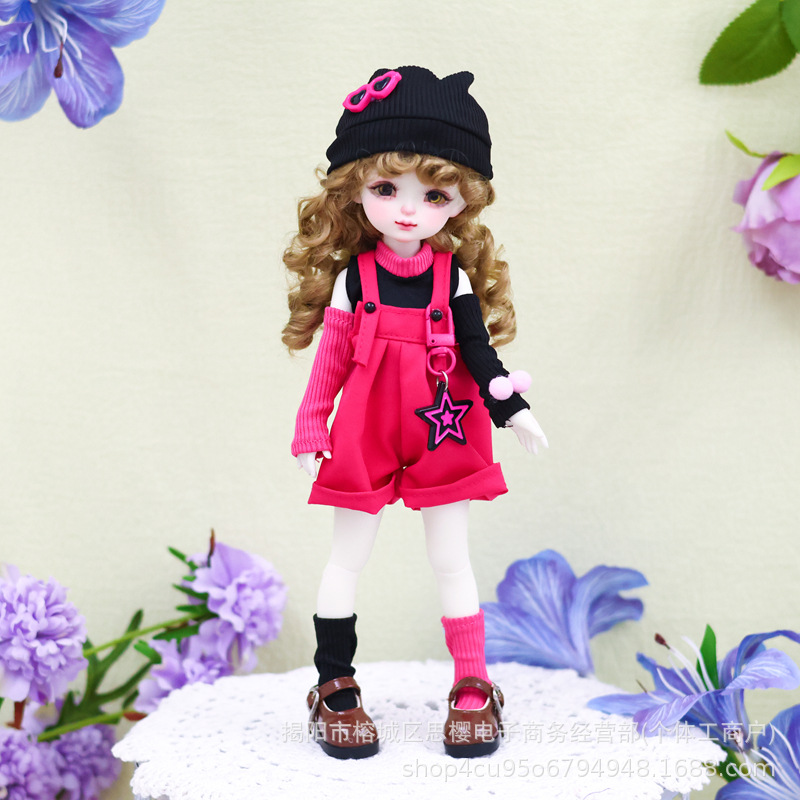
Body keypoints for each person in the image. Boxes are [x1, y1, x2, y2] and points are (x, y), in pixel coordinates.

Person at [282, 66, 547, 760]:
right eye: (385, 189)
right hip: (366, 425)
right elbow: (331, 360)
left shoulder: (451, 278)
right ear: (354, 189)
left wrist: (512, 408)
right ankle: (334, 683)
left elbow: (478, 353)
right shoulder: (355, 279)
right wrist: (311, 425)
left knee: (450, 557)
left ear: (460, 201)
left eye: (433, 195)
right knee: (348, 556)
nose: (407, 211)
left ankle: (471, 684)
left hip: (444, 420)